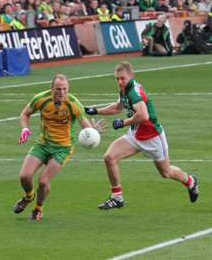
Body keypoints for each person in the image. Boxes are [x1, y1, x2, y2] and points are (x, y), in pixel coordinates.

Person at [84, 61, 199, 210]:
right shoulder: (125, 90)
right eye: (117, 78)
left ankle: (190, 181)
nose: (119, 82)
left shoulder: (134, 92)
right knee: (109, 157)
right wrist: (95, 111)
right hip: (136, 135)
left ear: (131, 76)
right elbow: (117, 108)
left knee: (166, 172)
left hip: (153, 137)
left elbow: (143, 116)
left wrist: (123, 123)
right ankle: (117, 198)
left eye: (122, 78)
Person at [14, 74, 107, 220]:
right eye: (58, 89)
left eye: (65, 89)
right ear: (52, 88)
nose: (62, 92)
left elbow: (85, 125)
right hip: (43, 144)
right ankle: (28, 196)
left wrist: (93, 131)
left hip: (63, 148)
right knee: (24, 176)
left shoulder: (74, 104)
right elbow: (25, 113)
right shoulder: (41, 99)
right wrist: (24, 128)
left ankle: (38, 208)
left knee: (43, 180)